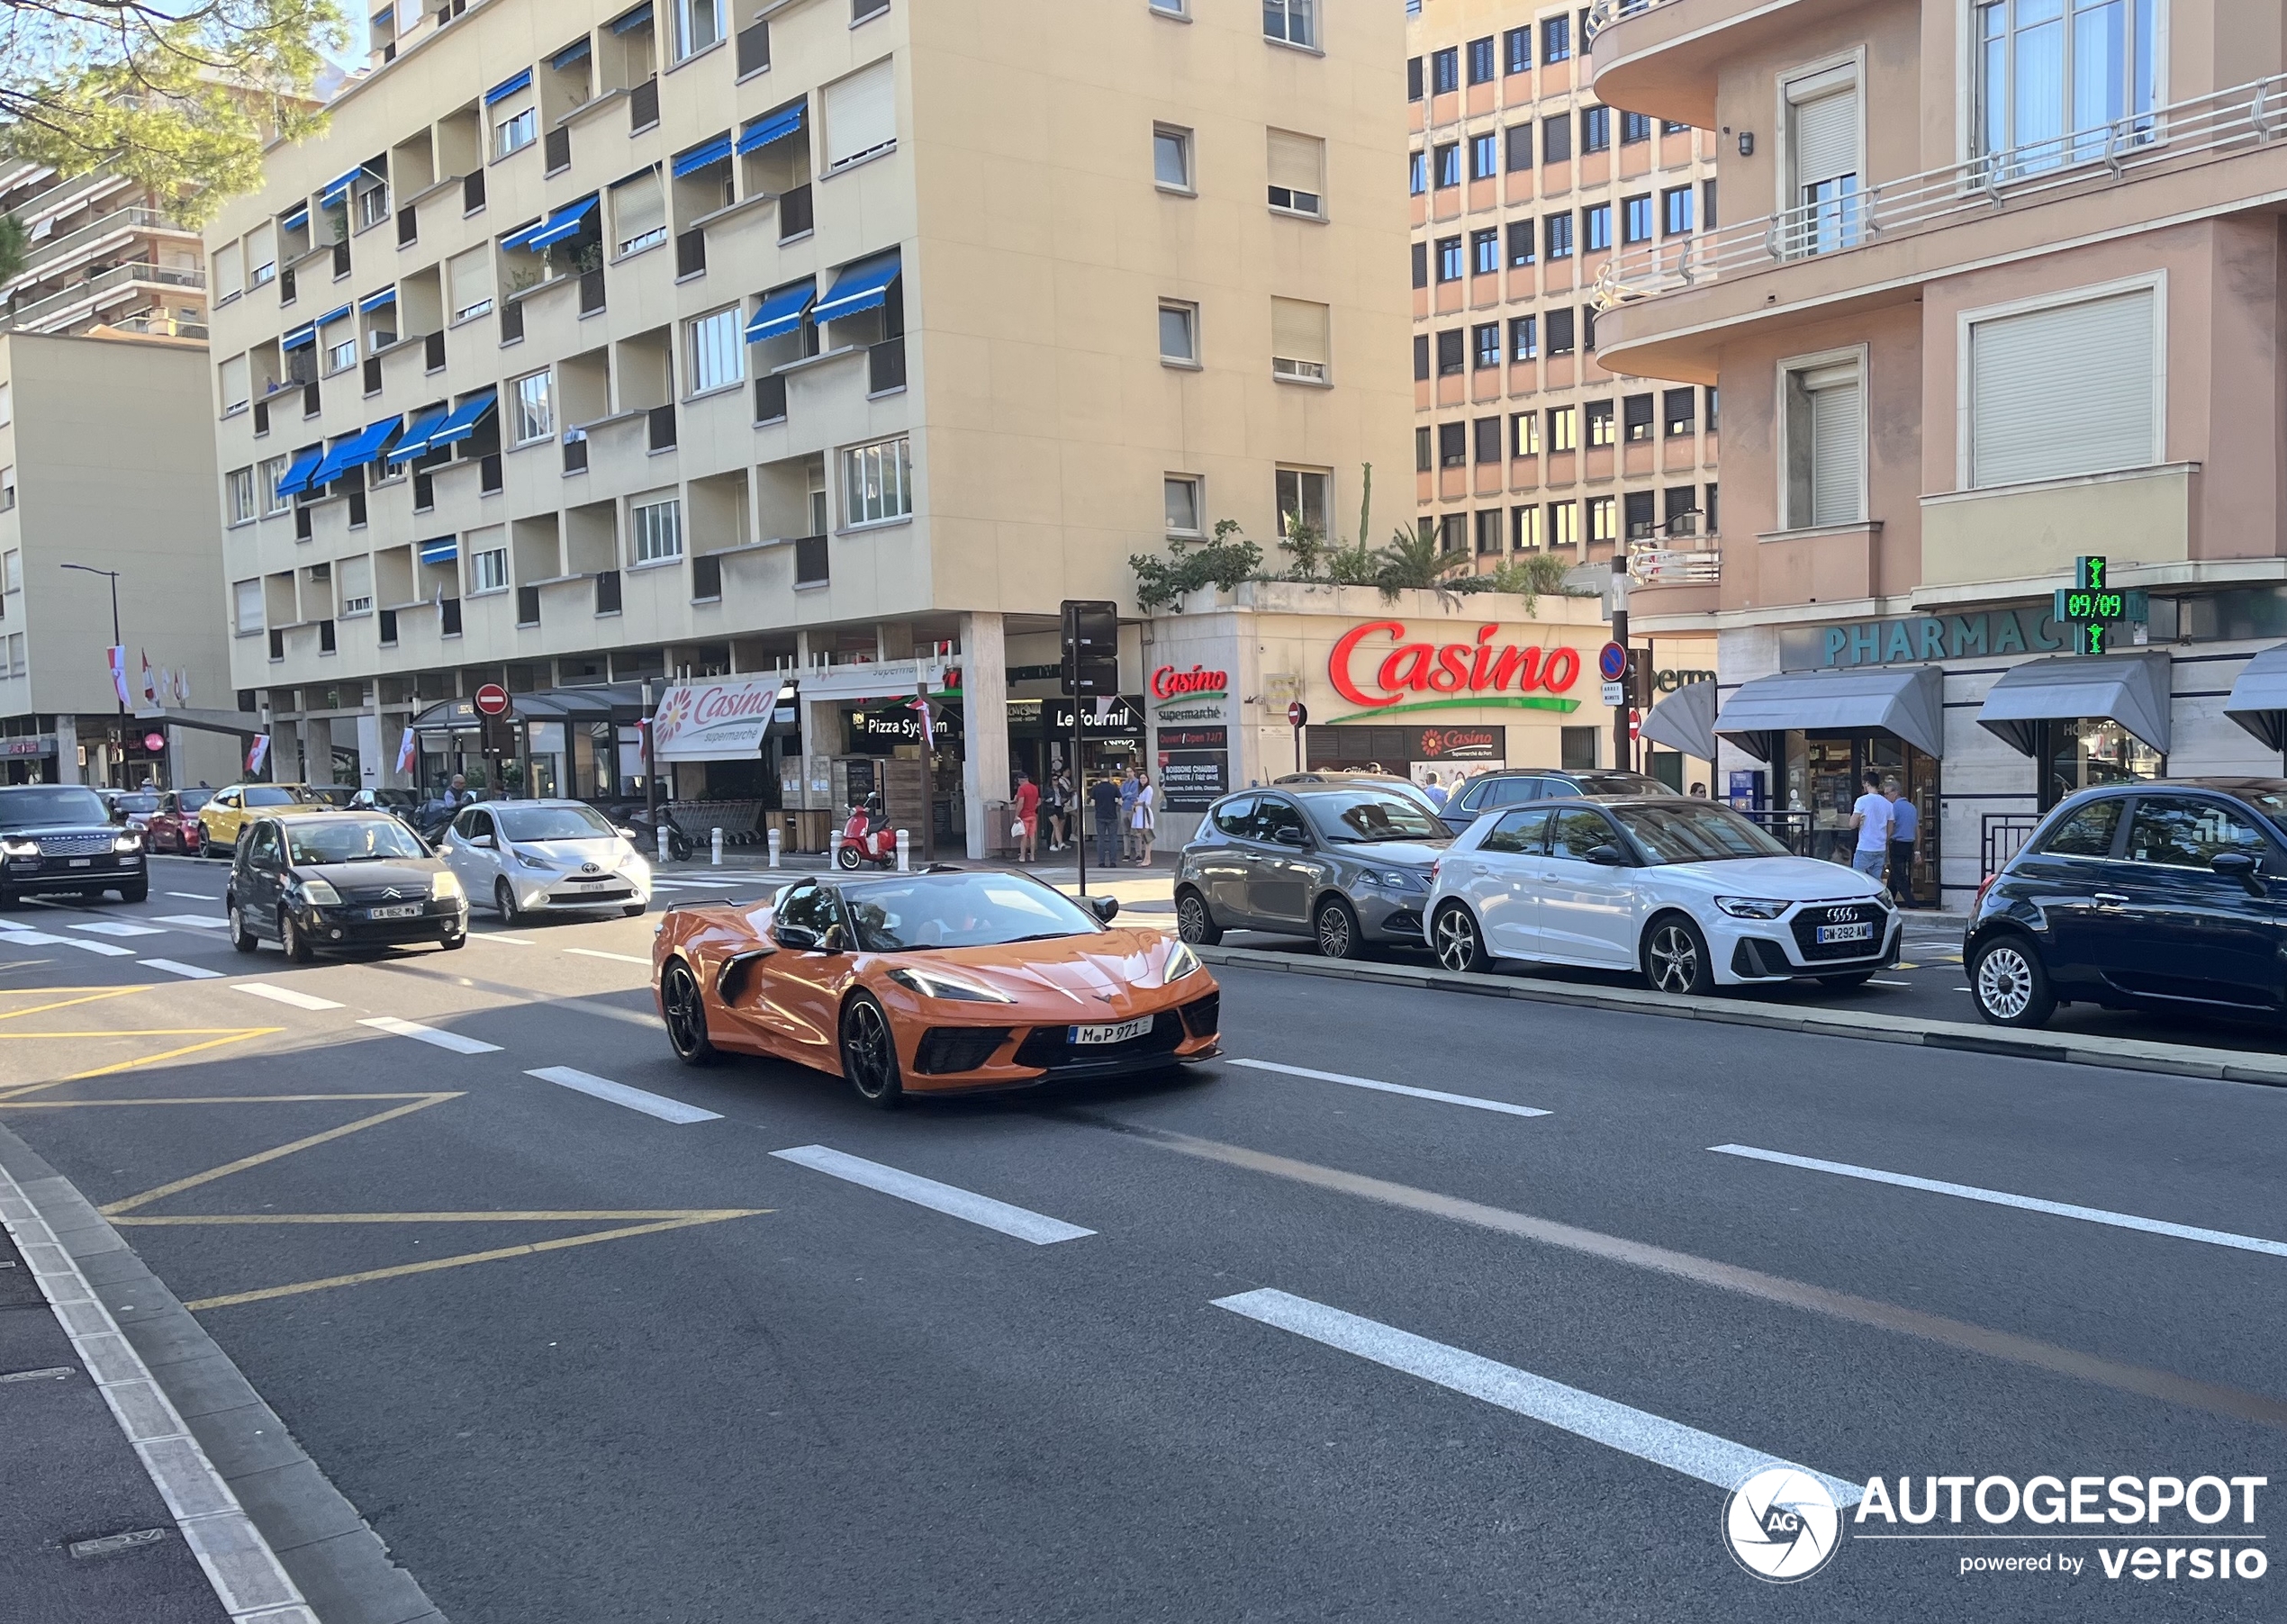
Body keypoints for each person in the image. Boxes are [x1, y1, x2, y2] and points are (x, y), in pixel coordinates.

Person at [1848, 770, 1893, 884]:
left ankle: (1861, 902)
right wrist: (1883, 839)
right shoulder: (1888, 804)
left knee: (1858, 881)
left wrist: (1858, 821)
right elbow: (1891, 827)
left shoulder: (1862, 801)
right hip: (1880, 848)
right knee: (1876, 882)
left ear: (1867, 783)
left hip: (1865, 847)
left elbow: (1852, 825)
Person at [1884, 775, 1918, 907]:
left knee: (1899, 876)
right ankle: (1888, 901)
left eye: (1887, 793)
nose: (1886, 796)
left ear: (1896, 793)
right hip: (1909, 844)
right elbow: (1917, 829)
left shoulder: (1893, 808)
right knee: (1895, 875)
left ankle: (1911, 902)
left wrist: (1885, 840)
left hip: (1897, 843)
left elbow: (1890, 827)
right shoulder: (1911, 807)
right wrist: (1917, 850)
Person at [1089, 771, 1123, 871]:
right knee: (1113, 839)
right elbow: (1120, 802)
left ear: (1100, 777)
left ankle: (1101, 862)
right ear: (1109, 777)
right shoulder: (1114, 787)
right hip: (1112, 816)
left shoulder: (1096, 788)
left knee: (1101, 839)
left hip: (1100, 816)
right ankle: (1113, 862)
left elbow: (1092, 803)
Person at [1131, 769, 1157, 866]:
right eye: (1141, 778)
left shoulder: (1148, 788)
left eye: (1144, 778)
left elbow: (1147, 803)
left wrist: (1137, 803)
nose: (1142, 780)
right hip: (1139, 813)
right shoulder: (1141, 790)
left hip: (1144, 814)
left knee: (1147, 837)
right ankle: (1146, 858)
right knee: (1144, 837)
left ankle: (1147, 858)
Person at [1013, 771, 1040, 863]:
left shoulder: (1022, 789)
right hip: (1033, 815)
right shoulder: (1035, 788)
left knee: (1024, 837)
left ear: (1021, 780)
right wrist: (1033, 808)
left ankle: (1022, 856)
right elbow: (1038, 801)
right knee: (1032, 836)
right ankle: (1032, 856)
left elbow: (1021, 802)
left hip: (1024, 816)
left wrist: (1016, 814)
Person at [1118, 766, 1142, 863]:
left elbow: (1135, 795)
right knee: (1126, 832)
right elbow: (1121, 794)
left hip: (1133, 808)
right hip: (1124, 808)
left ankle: (1138, 854)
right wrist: (1127, 795)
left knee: (1136, 832)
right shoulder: (1124, 783)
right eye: (1127, 772)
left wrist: (1126, 795)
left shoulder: (1137, 783)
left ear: (1134, 772)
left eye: (1130, 772)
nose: (1129, 774)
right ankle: (1126, 853)